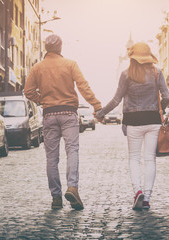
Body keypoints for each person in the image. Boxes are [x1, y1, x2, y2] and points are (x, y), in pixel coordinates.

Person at [24, 34, 102, 210]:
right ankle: (72, 187)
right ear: (60, 48)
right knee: (72, 150)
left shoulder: (37, 67)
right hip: (68, 113)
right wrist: (96, 105)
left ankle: (56, 197)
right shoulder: (70, 64)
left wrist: (42, 99)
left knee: (51, 158)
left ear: (45, 47)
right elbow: (83, 86)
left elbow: (28, 91)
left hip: (49, 114)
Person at [95, 42, 169, 210]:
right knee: (150, 159)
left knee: (134, 158)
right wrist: (161, 110)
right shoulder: (157, 72)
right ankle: (147, 198)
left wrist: (100, 113)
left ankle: (137, 191)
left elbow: (116, 100)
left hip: (133, 121)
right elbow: (166, 95)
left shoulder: (126, 74)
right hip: (153, 120)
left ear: (133, 58)